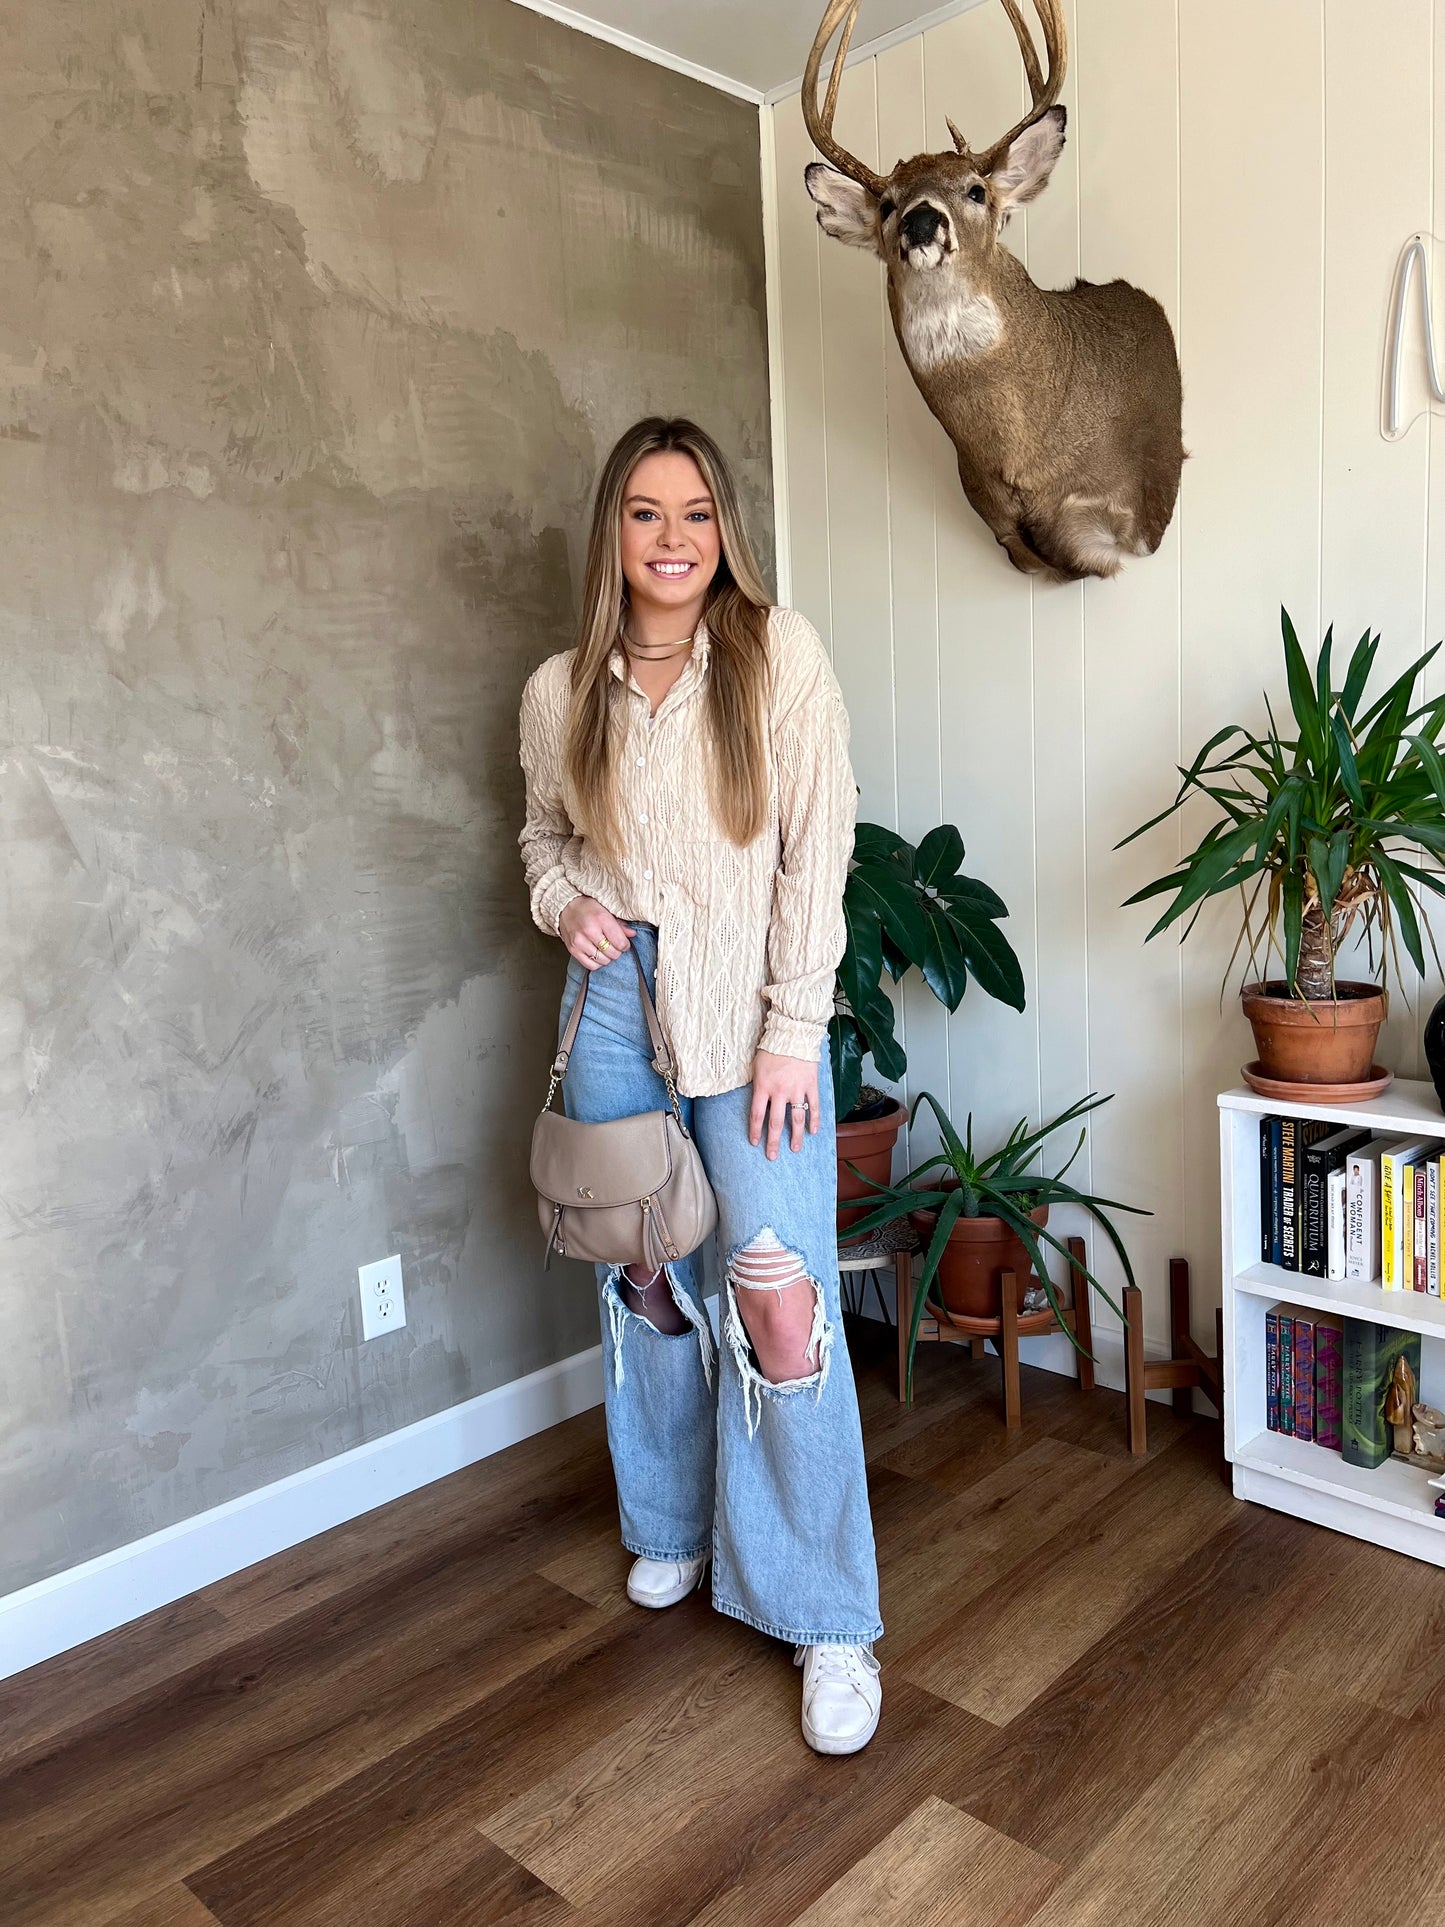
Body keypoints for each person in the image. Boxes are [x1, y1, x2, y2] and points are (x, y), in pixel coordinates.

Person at [518, 417, 882, 1755]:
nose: (673, 540)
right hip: (610, 1014)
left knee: (781, 1305)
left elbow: (814, 850)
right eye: (644, 514)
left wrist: (794, 1028)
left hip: (750, 1021)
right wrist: (564, 903)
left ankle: (825, 1613)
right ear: (612, 530)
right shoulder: (562, 690)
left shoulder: (777, 658)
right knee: (649, 1283)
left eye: (695, 513)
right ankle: (666, 1524)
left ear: (725, 528)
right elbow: (542, 838)